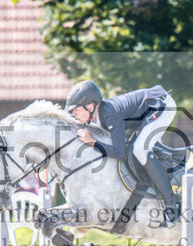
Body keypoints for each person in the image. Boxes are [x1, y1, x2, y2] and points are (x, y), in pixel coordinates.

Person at [65, 80, 179, 227]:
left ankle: (172, 204)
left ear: (90, 106)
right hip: (151, 107)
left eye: (76, 111)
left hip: (162, 106)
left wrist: (92, 142)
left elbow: (119, 153)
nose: (75, 115)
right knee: (139, 147)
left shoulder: (109, 115)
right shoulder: (101, 114)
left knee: (140, 149)